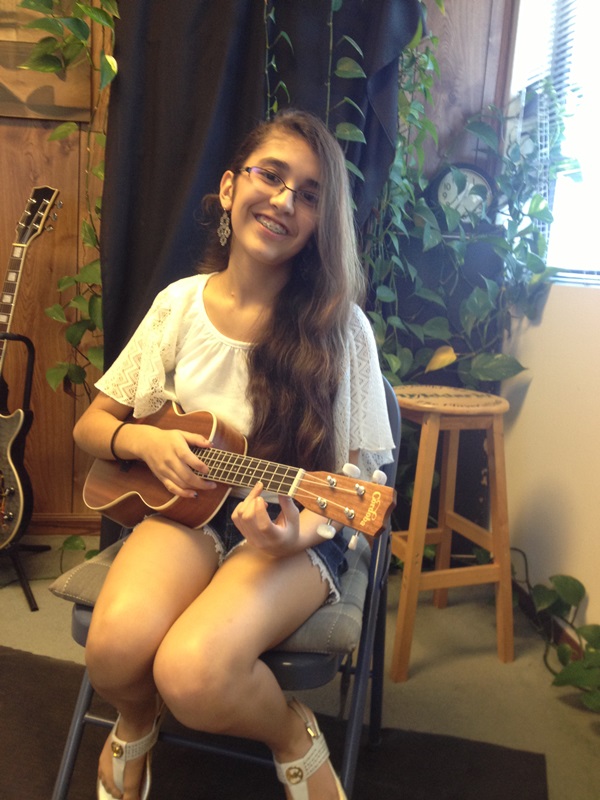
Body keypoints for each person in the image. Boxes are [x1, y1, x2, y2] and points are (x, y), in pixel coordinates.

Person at [74, 108, 395, 800]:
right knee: (113, 650)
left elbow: (358, 480)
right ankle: (134, 723)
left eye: (308, 194)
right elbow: (91, 429)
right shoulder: (178, 307)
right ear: (228, 188)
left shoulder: (342, 333)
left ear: (319, 222)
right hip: (186, 513)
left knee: (193, 674)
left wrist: (294, 533)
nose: (284, 201)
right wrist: (144, 438)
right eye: (270, 176)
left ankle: (291, 737)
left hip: (296, 528)